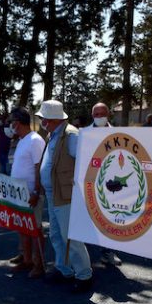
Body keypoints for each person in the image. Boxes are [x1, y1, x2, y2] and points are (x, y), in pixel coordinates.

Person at [35, 100, 94, 293]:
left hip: (66, 194)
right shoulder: (55, 134)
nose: (41, 121)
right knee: (56, 234)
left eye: (43, 118)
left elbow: (85, 162)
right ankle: (64, 269)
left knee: (71, 236)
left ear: (52, 119)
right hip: (55, 193)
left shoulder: (71, 135)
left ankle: (84, 275)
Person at [7, 109, 46, 278]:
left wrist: (37, 191)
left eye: (12, 121)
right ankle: (27, 259)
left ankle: (40, 264)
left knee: (36, 229)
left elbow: (39, 168)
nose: (10, 125)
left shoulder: (35, 140)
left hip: (31, 192)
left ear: (19, 121)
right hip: (19, 193)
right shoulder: (22, 140)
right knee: (23, 227)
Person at [84, 103, 123, 266]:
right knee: (88, 218)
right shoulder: (84, 134)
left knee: (109, 218)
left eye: (102, 114)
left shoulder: (118, 134)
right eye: (96, 114)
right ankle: (84, 251)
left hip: (110, 184)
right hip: (89, 183)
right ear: (92, 116)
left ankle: (108, 252)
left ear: (109, 114)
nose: (99, 117)